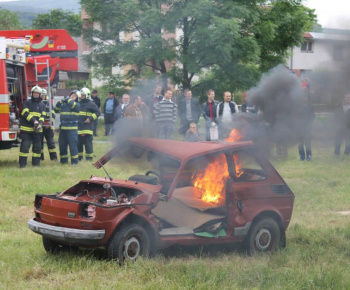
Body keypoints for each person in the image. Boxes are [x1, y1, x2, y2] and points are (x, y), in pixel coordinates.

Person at [19, 86, 46, 168]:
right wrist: (34, 120)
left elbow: (43, 115)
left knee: (37, 148)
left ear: (40, 94)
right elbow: (24, 113)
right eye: (34, 93)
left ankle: (36, 164)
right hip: (26, 130)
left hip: (37, 130)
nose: (36, 94)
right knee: (25, 147)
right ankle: (23, 164)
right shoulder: (27, 102)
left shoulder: (42, 104)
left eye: (37, 93)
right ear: (32, 93)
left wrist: (40, 123)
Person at [54, 90, 81, 165]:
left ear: (77, 98)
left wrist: (67, 100)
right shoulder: (64, 105)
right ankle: (63, 161)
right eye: (72, 95)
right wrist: (59, 103)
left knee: (73, 147)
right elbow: (56, 110)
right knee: (62, 146)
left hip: (72, 130)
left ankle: (74, 162)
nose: (72, 96)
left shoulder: (77, 105)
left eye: (75, 96)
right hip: (63, 130)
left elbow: (72, 104)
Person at [78, 87, 100, 161]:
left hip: (87, 128)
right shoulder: (78, 103)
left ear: (87, 95)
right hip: (79, 127)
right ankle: (79, 158)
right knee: (79, 144)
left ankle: (89, 159)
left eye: (83, 95)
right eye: (81, 95)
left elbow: (98, 113)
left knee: (88, 144)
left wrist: (90, 118)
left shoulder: (91, 104)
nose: (82, 96)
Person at [40, 88, 57, 161]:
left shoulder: (49, 103)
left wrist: (49, 123)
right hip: (40, 126)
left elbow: (53, 115)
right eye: (42, 95)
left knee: (51, 143)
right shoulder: (37, 103)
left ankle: (54, 158)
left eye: (44, 95)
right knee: (39, 143)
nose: (43, 96)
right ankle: (40, 158)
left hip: (48, 126)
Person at [298, 95, 315, 161]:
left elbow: (313, 116)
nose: (304, 98)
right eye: (303, 97)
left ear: (307, 98)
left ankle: (309, 156)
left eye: (305, 97)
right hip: (299, 128)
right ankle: (302, 156)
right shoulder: (297, 107)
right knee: (300, 143)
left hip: (307, 127)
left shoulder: (310, 107)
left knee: (307, 142)